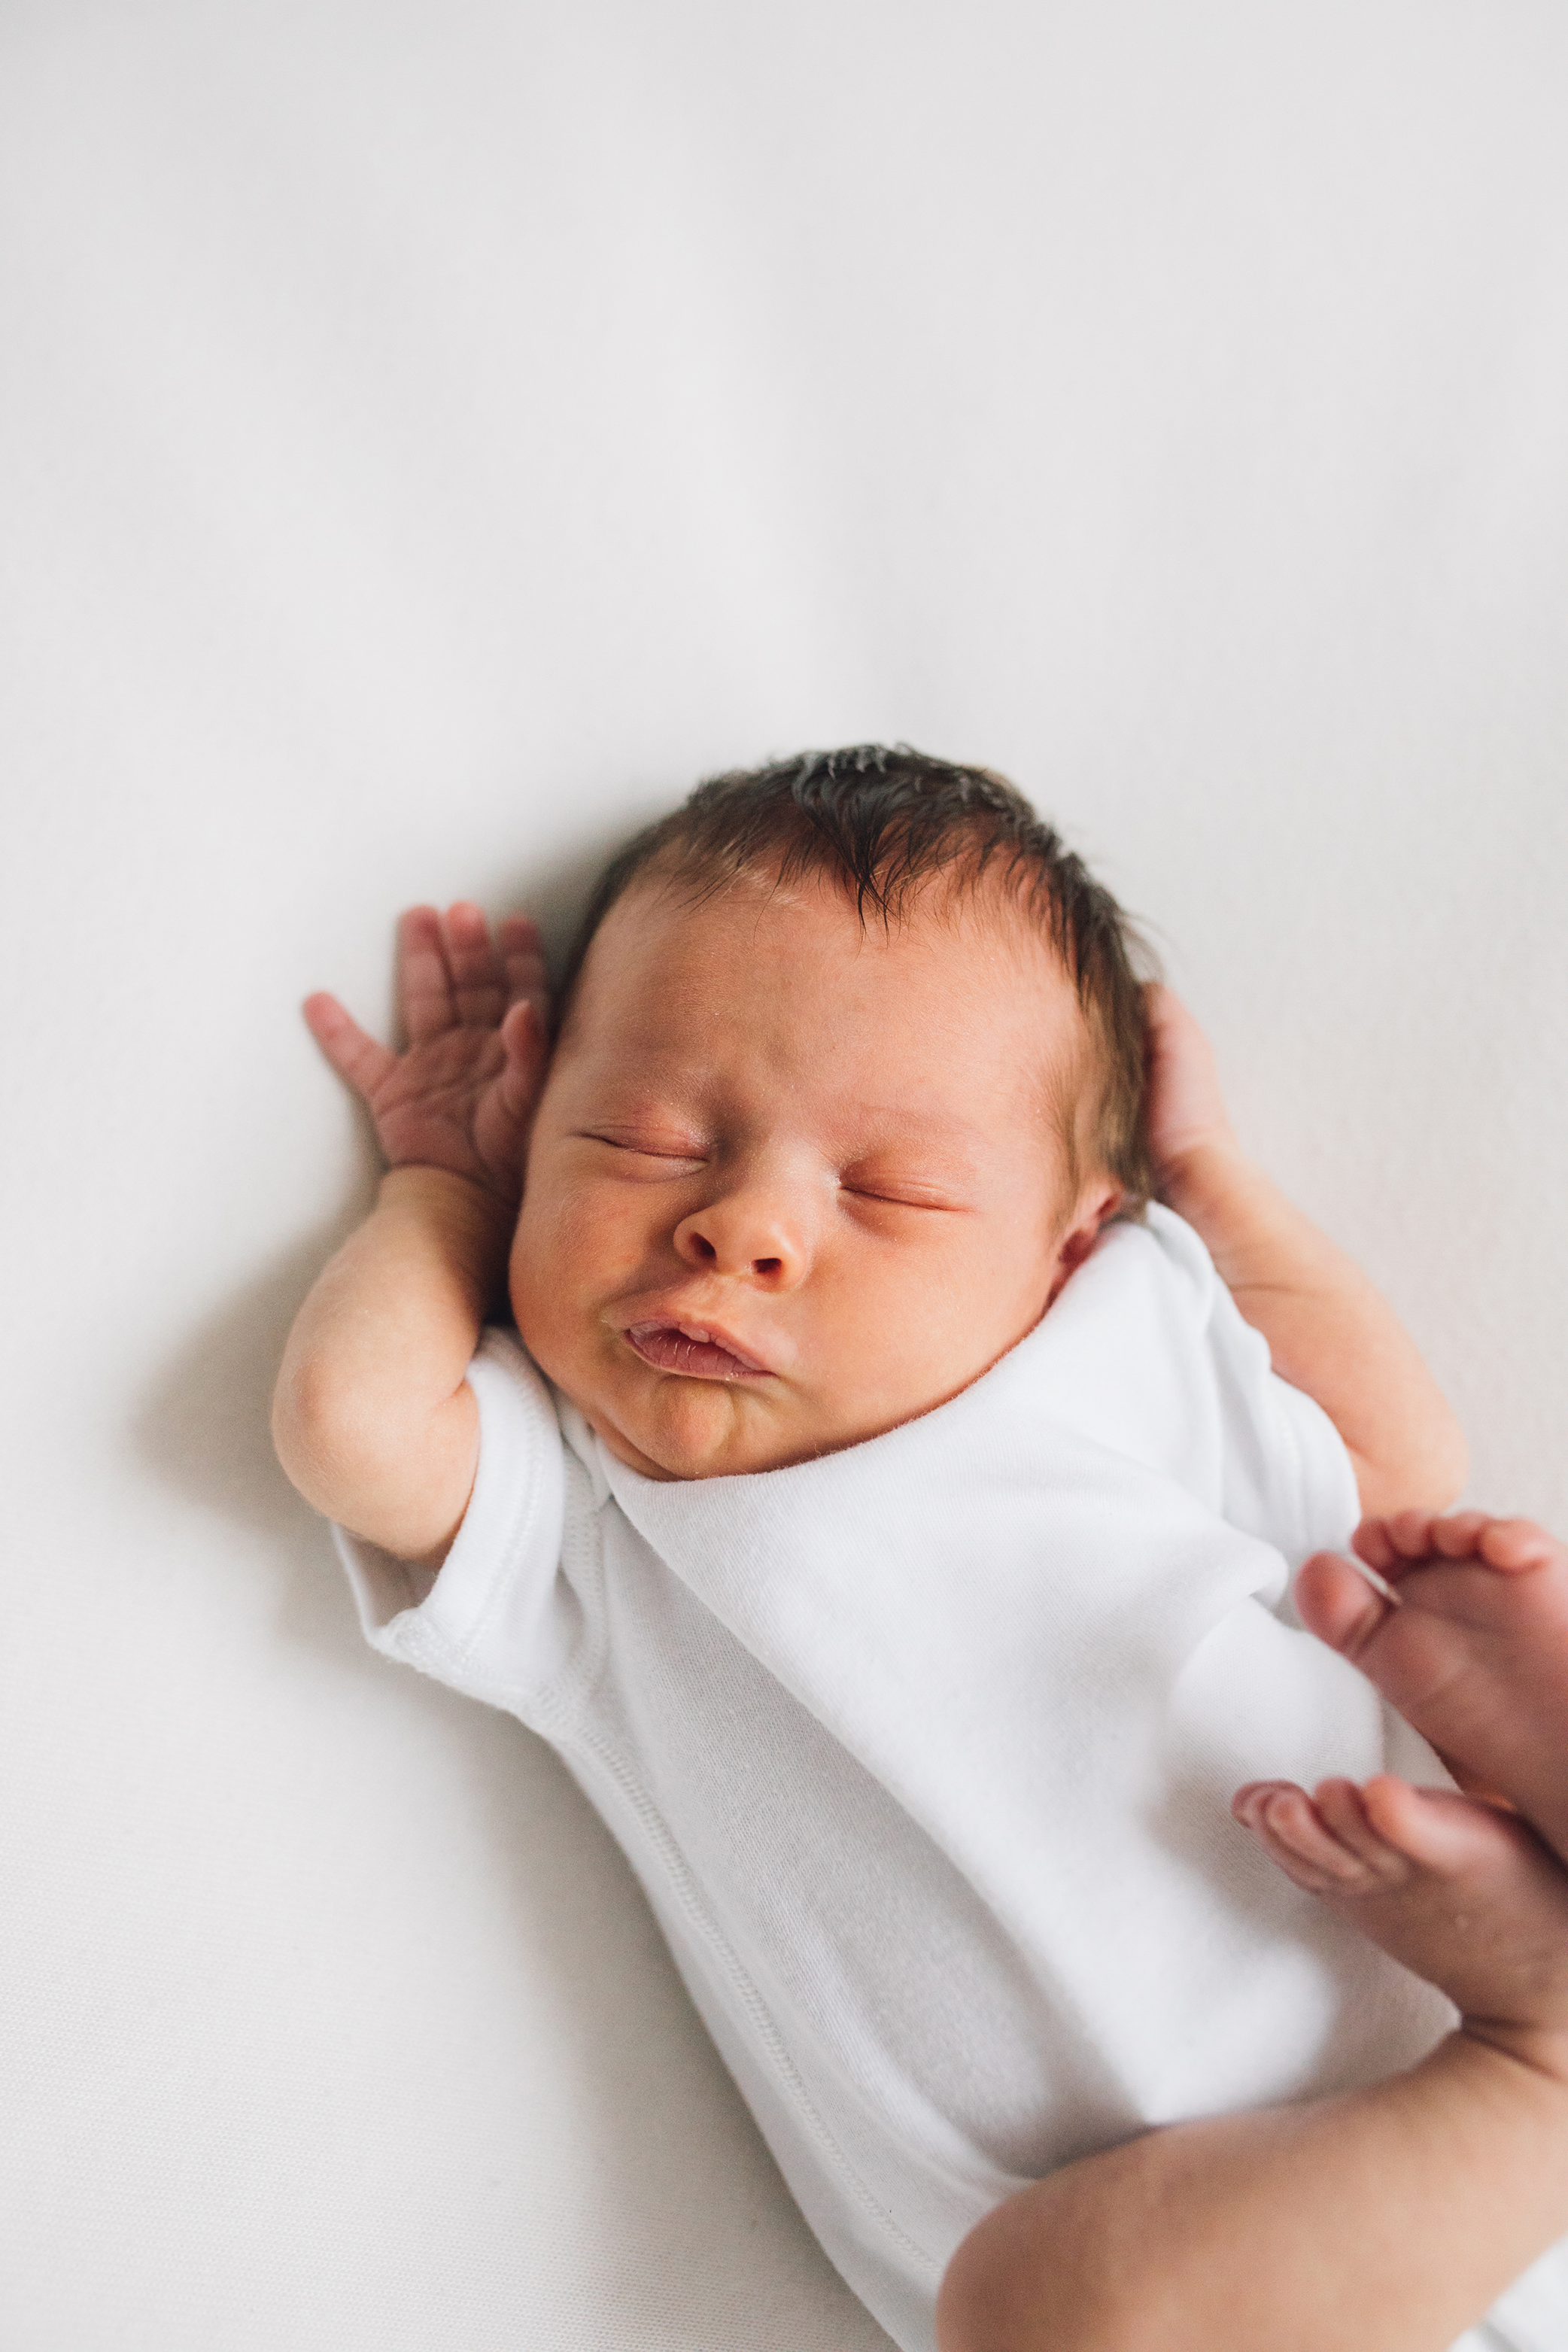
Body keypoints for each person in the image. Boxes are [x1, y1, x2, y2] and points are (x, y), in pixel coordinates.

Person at [272, 746, 1568, 2352]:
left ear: (1071, 1237)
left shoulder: (1118, 1335)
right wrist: (447, 1188)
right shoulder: (592, 1526)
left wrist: (1219, 1192)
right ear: (542, 1114)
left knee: (1436, 1615)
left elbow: (1377, 1468)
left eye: (892, 1188)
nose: (745, 1228)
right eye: (645, 1141)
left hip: (1421, 2104)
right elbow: (352, 1424)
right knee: (1038, 2310)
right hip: (1295, 2246)